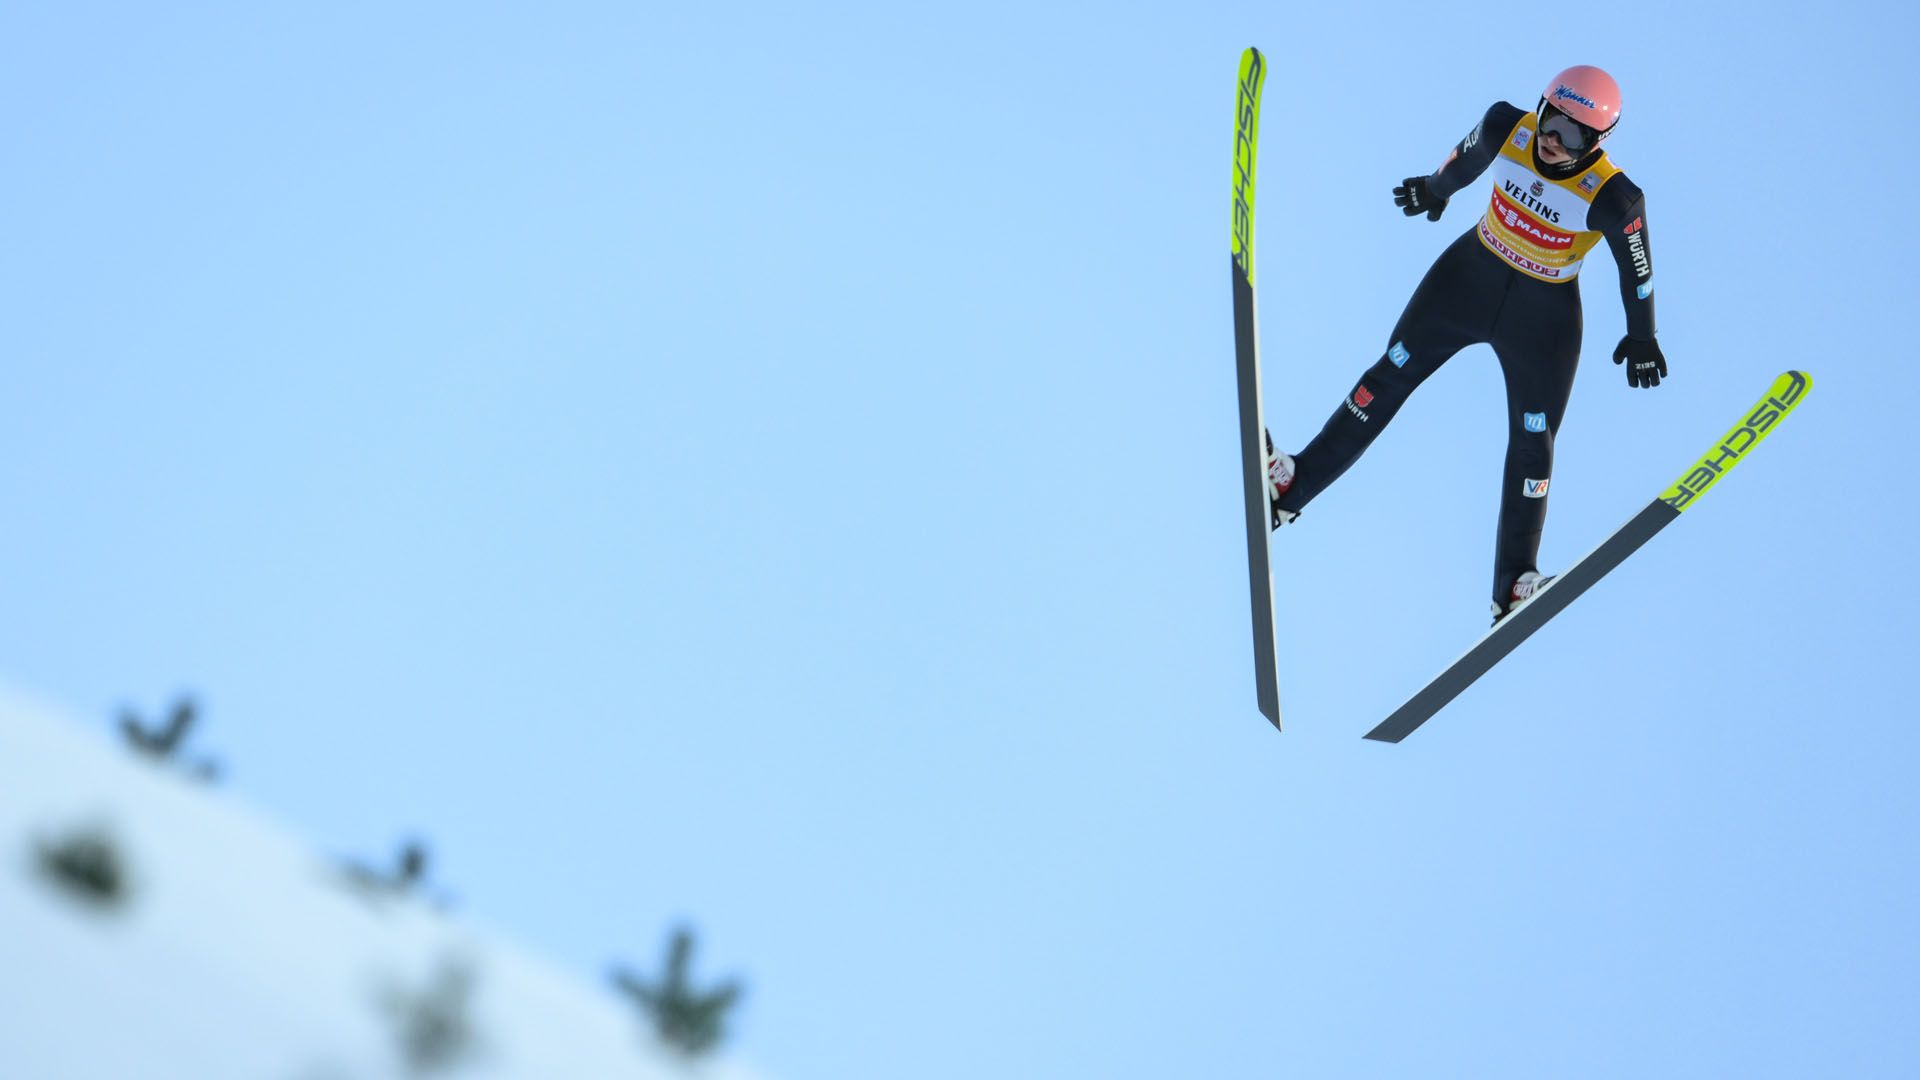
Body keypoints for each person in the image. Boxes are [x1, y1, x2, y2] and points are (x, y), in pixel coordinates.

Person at [1266, 64, 1664, 623]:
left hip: (1543, 318)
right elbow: (1465, 159)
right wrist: (1434, 189)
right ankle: (1292, 486)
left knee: (1534, 442)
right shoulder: (1509, 126)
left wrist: (1642, 335)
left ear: (1597, 142)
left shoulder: (1616, 198)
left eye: (1571, 135)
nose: (1551, 140)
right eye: (1550, 121)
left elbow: (1637, 271)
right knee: (1392, 372)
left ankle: (1515, 585)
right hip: (1467, 279)